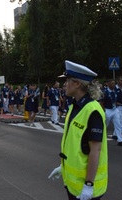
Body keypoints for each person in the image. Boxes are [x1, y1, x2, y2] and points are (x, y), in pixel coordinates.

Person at [49, 60, 108, 200]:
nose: (64, 84)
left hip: (87, 188)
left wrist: (89, 185)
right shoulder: (74, 107)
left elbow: (96, 150)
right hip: (73, 185)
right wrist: (62, 167)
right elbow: (75, 145)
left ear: (77, 84)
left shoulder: (92, 110)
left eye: (67, 80)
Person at [101, 79, 122, 146]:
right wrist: (103, 110)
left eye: (114, 83)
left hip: (115, 109)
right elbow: (101, 102)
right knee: (105, 125)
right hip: (107, 110)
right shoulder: (105, 92)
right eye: (112, 83)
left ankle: (120, 140)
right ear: (108, 84)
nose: (113, 85)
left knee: (118, 124)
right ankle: (101, 138)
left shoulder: (115, 91)